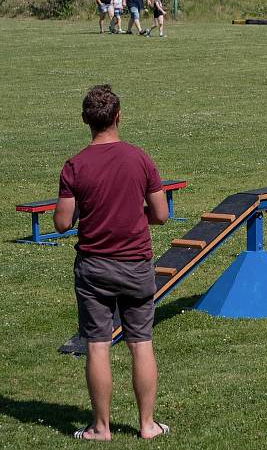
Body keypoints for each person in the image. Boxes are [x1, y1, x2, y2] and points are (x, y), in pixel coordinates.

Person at [53, 85, 170, 440]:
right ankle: (147, 425)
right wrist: (136, 214)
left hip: (94, 267)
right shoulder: (140, 158)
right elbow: (161, 215)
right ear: (119, 116)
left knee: (98, 344)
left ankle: (101, 428)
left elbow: (62, 223)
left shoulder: (75, 165)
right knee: (141, 342)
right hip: (135, 263)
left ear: (85, 121)